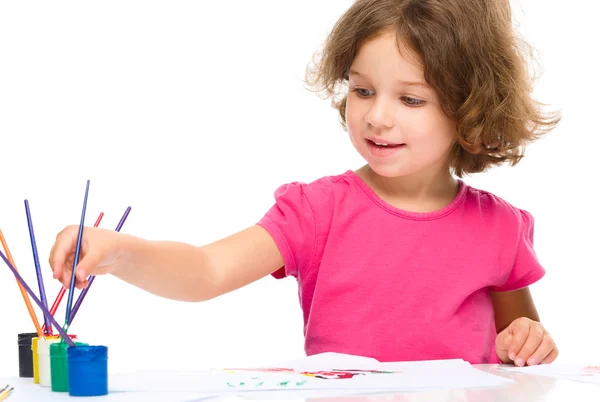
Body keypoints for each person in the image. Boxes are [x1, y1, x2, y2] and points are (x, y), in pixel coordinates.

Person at [48, 0, 561, 366]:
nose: (377, 117)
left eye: (410, 99)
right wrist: (120, 253)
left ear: (471, 108)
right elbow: (205, 270)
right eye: (363, 90)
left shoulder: (499, 228)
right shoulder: (318, 211)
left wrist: (529, 340)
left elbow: (519, 344)